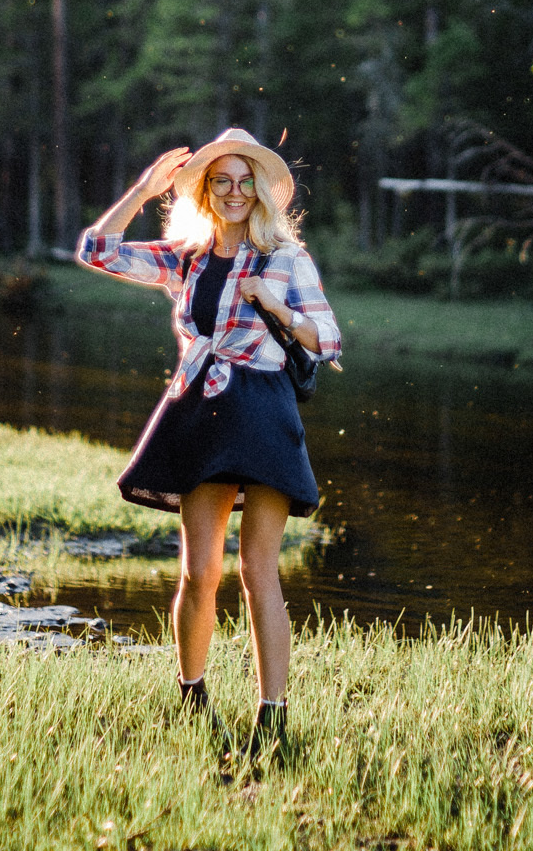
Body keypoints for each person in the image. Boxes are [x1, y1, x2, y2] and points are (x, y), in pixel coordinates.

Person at [76, 127, 342, 765]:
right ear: (204, 189)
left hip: (265, 415)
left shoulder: (286, 258)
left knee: (259, 573)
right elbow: (96, 249)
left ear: (259, 191)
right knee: (201, 573)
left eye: (244, 181)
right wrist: (142, 190)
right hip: (201, 412)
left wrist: (277, 307)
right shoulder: (187, 257)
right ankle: (191, 695)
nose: (232, 192)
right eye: (220, 181)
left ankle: (271, 715)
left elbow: (327, 343)